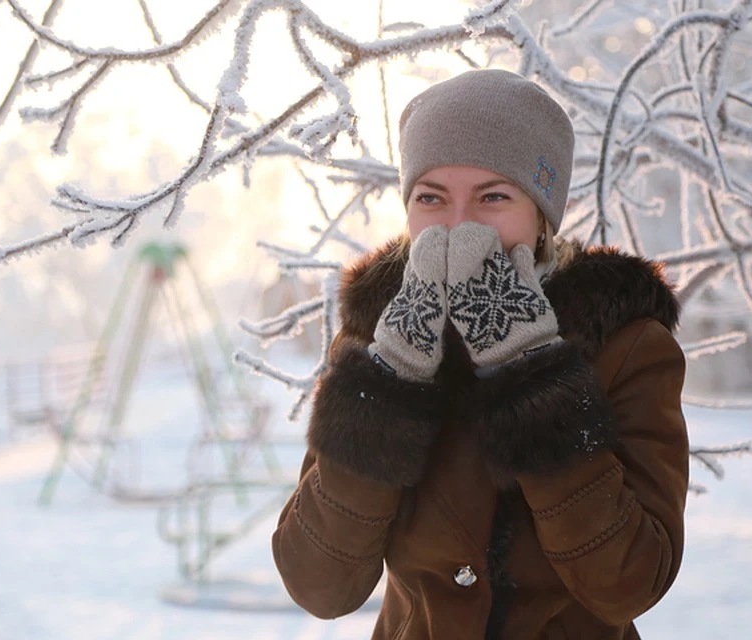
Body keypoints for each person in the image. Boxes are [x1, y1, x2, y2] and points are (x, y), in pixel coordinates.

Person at [272, 69, 689, 640]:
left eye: (493, 197)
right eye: (431, 198)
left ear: (541, 215)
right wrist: (388, 385)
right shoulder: (378, 337)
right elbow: (320, 585)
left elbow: (628, 583)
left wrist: (532, 375)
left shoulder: (625, 344)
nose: (459, 226)